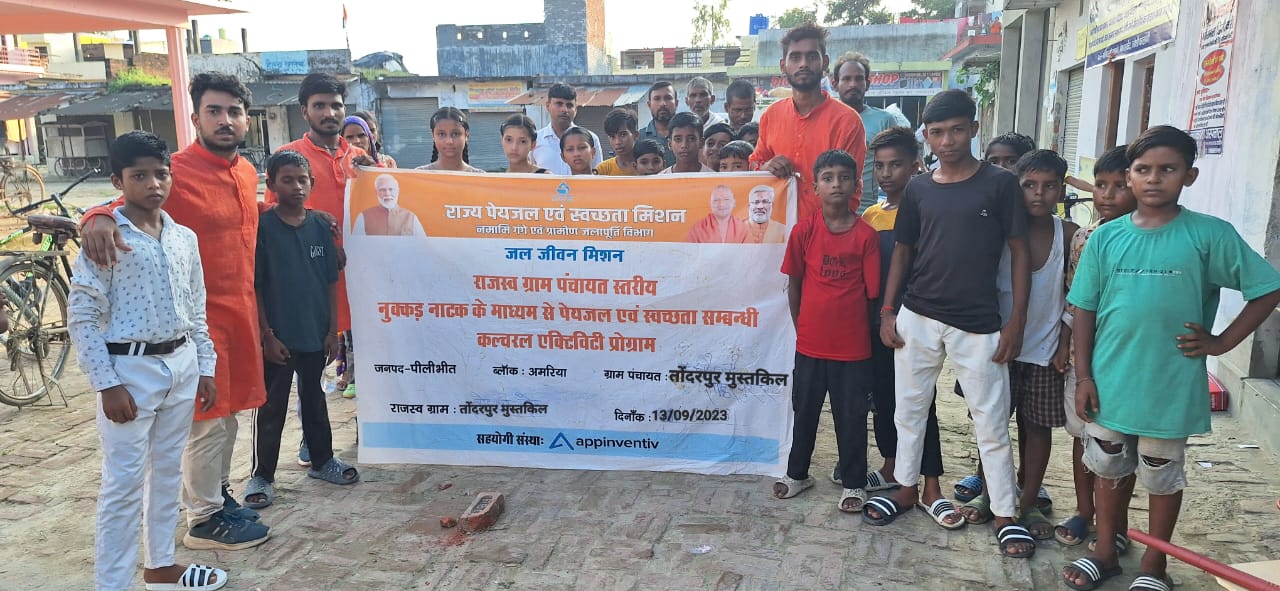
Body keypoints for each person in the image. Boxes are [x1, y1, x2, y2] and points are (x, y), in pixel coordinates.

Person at [1062, 126, 1280, 591]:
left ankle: (1154, 564)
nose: (1154, 179)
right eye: (1143, 170)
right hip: (1110, 378)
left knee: (1161, 472)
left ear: (1189, 176)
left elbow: (1266, 288)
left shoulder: (1209, 235)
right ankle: (1106, 551)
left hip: (1170, 382)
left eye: (1168, 169)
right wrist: (1083, 376)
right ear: (1130, 175)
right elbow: (1084, 309)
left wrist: (1222, 342)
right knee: (1107, 464)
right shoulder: (1106, 238)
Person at [80, 72, 271, 550]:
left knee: (228, 415)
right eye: (213, 111)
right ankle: (203, 517)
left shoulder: (247, 172)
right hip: (191, 324)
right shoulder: (173, 171)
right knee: (207, 420)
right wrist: (94, 216)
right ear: (195, 117)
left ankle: (216, 495)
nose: (225, 120)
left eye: (234, 112)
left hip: (237, 313)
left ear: (247, 119)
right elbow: (116, 205)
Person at [866, 90, 1035, 560]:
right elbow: (903, 252)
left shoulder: (1000, 185)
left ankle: (1005, 514)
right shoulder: (919, 188)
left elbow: (1020, 252)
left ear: (973, 129)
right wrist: (888, 311)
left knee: (990, 421)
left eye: (957, 130)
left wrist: (1016, 322)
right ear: (927, 136)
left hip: (978, 323)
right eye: (938, 132)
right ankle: (906, 488)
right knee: (908, 410)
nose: (947, 141)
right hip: (918, 315)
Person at [69, 131, 226, 591]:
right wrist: (106, 383)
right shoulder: (106, 237)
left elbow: (196, 306)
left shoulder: (183, 237)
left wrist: (205, 366)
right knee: (123, 483)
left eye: (161, 174)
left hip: (181, 362)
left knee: (168, 470)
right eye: (139, 176)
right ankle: (112, 583)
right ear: (118, 181)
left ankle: (160, 565)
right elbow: (82, 315)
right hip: (129, 371)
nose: (153, 184)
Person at [849, 127, 959, 528]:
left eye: (895, 165)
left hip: (917, 321)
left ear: (915, 165)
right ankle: (892, 466)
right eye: (879, 166)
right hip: (876, 321)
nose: (886, 174)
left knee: (920, 403)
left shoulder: (928, 210)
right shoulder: (870, 216)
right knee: (883, 398)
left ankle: (931, 486)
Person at [244, 150, 360, 512]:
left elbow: (330, 283)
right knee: (272, 406)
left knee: (314, 399)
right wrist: (267, 334)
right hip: (278, 337)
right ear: (271, 183)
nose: (296, 187)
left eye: (302, 180)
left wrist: (331, 331)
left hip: (314, 332)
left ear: (312, 183)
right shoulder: (263, 228)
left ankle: (323, 461)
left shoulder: (320, 227)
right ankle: (262, 475)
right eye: (287, 180)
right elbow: (257, 286)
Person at [773, 149, 879, 515]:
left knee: (851, 417)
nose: (836, 184)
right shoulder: (803, 231)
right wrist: (802, 327)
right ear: (815, 186)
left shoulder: (866, 236)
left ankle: (853, 481)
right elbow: (794, 283)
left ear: (856, 184)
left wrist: (856, 331)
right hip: (810, 344)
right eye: (828, 178)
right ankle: (797, 474)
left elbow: (871, 295)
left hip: (853, 348)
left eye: (844, 178)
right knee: (804, 412)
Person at [1053, 145, 1137, 550]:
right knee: (1082, 435)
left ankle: (1116, 524)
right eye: (1101, 185)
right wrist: (1064, 346)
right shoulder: (1084, 238)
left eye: (1120, 186)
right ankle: (1084, 511)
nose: (1107, 195)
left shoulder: (1145, 239)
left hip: (1126, 360)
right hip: (1082, 359)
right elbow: (1073, 299)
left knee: (1119, 444)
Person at [267, 73, 369, 406]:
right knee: (310, 379)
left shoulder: (361, 158)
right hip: (309, 286)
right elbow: (270, 218)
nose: (329, 113)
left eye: (336, 105)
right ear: (304, 111)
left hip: (360, 283)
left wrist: (375, 173)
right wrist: (312, 217)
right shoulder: (288, 157)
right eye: (319, 106)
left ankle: (367, 429)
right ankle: (312, 435)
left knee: (368, 369)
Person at [1005, 149, 1080, 542]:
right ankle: (992, 492)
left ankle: (1029, 499)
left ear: (1061, 191)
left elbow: (1075, 295)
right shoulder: (1000, 229)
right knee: (992, 423)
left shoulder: (1068, 235)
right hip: (999, 347)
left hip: (1045, 349)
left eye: (1049, 186)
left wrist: (1064, 344)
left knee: (1036, 427)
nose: (1038, 193)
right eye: (1029, 185)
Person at [751, 23, 867, 222]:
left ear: (825, 62)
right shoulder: (771, 115)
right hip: (778, 231)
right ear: (783, 66)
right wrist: (766, 167)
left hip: (828, 231)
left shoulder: (847, 121)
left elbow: (850, 189)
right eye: (795, 57)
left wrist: (824, 232)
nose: (803, 64)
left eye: (812, 56)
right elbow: (754, 164)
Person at [832, 52, 899, 213]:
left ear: (867, 84)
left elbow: (897, 167)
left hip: (868, 212)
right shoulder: (825, 120)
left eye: (859, 79)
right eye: (846, 79)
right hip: (829, 213)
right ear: (835, 84)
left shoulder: (884, 120)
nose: (853, 84)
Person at [530, 83, 603, 175]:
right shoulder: (535, 140)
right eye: (559, 104)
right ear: (548, 106)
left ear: (575, 109)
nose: (564, 110)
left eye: (569, 105)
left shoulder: (591, 139)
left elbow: (597, 175)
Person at [352, 174, 426, 236]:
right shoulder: (364, 216)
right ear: (376, 192)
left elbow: (422, 245)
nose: (387, 193)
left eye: (391, 189)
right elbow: (356, 244)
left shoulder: (411, 217)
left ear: (398, 191)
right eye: (382, 190)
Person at [418, 107, 484, 173]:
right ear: (433, 136)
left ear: (466, 135)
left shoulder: (481, 176)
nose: (449, 141)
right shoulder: (418, 175)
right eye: (441, 134)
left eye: (455, 134)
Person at [639, 81, 678, 167]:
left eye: (668, 98)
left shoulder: (687, 137)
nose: (662, 104)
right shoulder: (639, 138)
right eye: (657, 99)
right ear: (649, 105)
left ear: (676, 103)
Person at [595, 108, 639, 176]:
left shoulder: (647, 166)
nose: (617, 142)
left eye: (623, 135)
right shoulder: (603, 169)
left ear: (635, 135)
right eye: (612, 136)